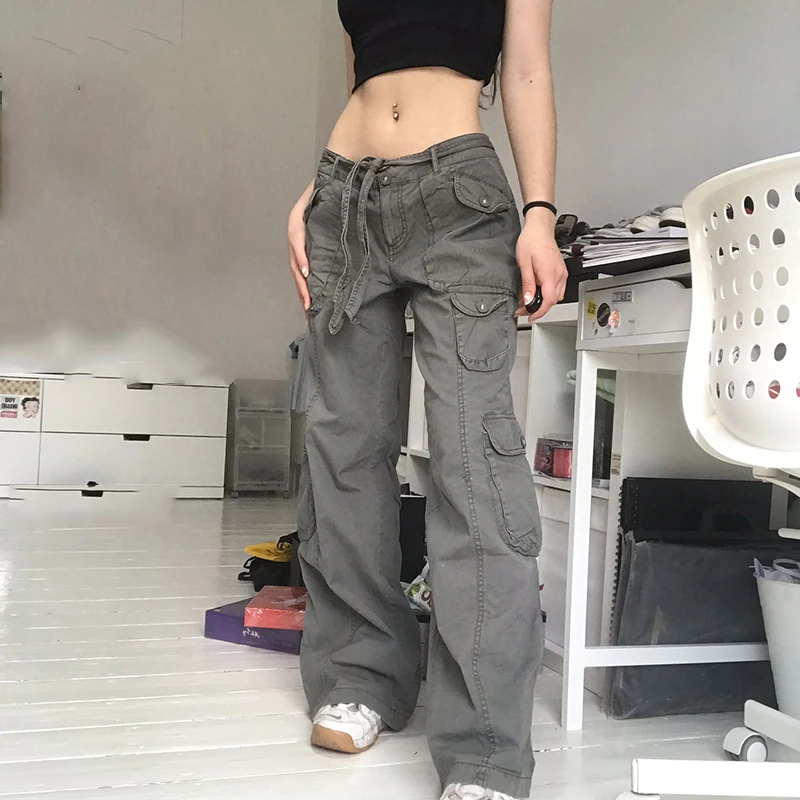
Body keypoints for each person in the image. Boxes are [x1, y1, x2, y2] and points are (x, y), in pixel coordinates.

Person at [286, 2, 567, 799]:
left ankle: (485, 749)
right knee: (343, 449)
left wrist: (540, 213)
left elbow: (526, 69)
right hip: (345, 199)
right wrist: (315, 191)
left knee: (474, 463)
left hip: (458, 199)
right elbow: (366, 75)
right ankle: (361, 675)